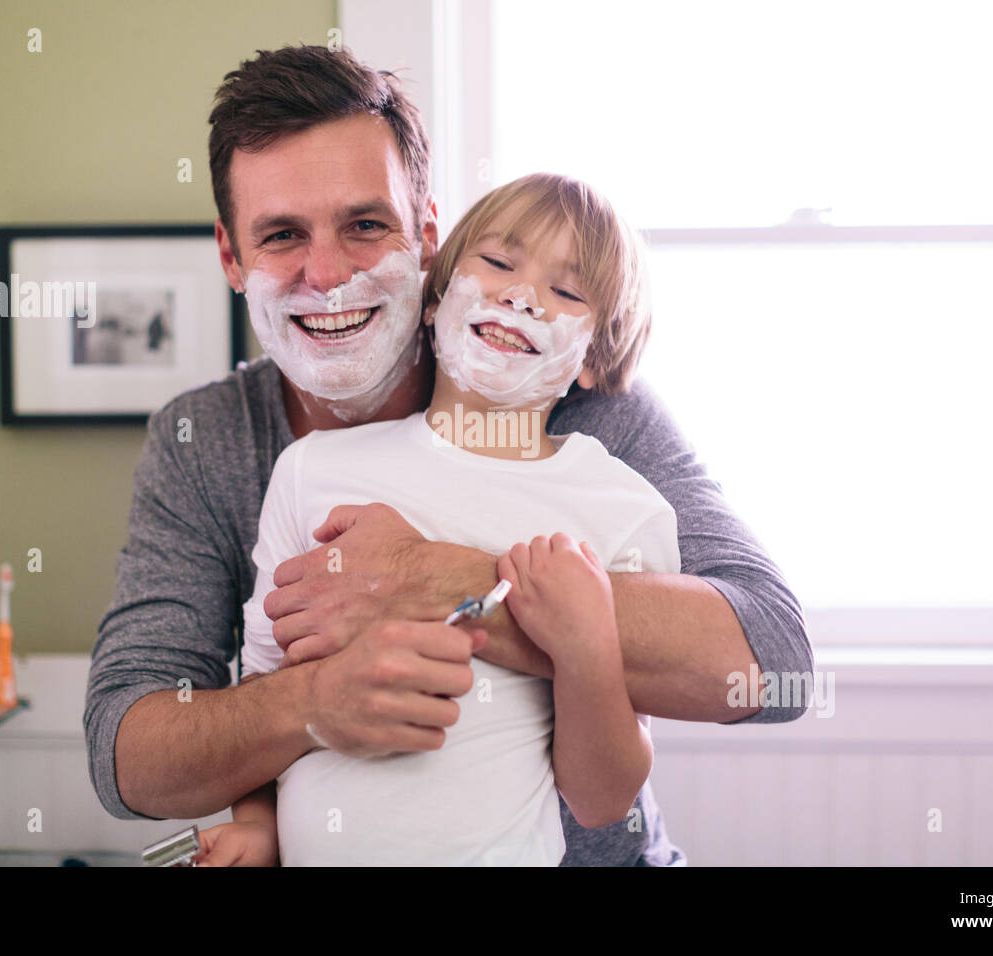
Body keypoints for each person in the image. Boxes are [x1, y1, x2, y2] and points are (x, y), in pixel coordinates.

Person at [84, 44, 813, 866]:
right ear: (231, 257)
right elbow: (126, 748)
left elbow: (772, 659)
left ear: (427, 233)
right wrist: (309, 707)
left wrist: (444, 581)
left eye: (365, 224)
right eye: (283, 235)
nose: (326, 276)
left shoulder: (583, 407)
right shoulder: (211, 444)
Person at [198, 172, 673, 866]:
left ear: (596, 358)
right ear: (434, 296)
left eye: (567, 291)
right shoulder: (310, 470)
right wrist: (257, 826)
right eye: (499, 263)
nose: (521, 294)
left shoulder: (622, 512)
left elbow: (601, 801)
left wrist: (586, 648)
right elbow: (266, 682)